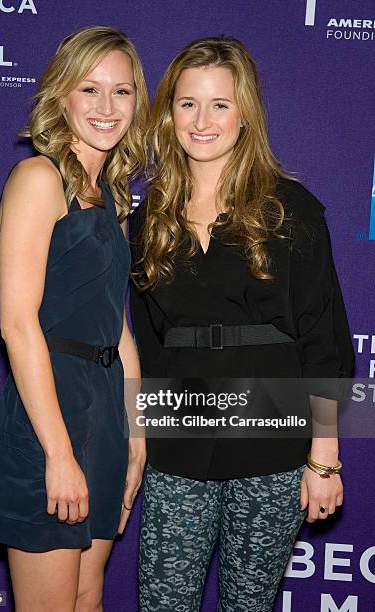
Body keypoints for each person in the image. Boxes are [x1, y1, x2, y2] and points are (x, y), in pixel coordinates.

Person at [129, 37, 355, 612]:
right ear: (168, 112)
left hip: (273, 448)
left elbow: (323, 341)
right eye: (187, 103)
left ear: (244, 114)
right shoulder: (148, 219)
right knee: (163, 602)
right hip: (178, 448)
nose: (202, 121)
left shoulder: (292, 209)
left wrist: (323, 459)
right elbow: (149, 350)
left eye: (219, 104)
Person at [0, 26, 147, 611]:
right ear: (62, 96)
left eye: (121, 92)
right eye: (90, 89)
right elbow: (18, 324)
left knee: (87, 595)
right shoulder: (38, 179)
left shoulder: (113, 197)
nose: (106, 107)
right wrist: (58, 454)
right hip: (49, 412)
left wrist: (137, 434)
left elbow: (119, 330)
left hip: (104, 414)